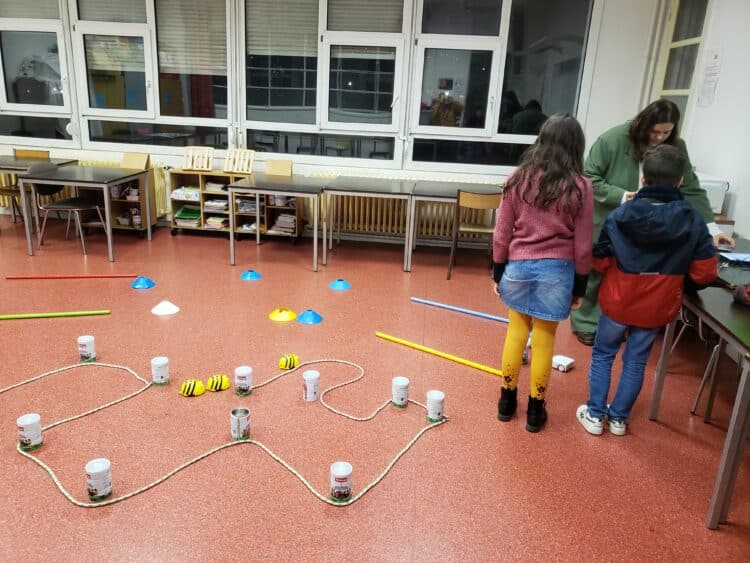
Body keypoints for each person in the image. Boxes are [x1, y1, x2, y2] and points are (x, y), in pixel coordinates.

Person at [576, 144, 718, 436]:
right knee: (636, 360)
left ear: (643, 179)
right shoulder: (692, 220)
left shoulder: (621, 215)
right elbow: (705, 272)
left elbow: (599, 260)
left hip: (618, 299)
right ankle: (618, 419)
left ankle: (595, 415)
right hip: (657, 304)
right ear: (680, 181)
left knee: (603, 354)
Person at [570, 100, 734, 346]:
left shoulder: (677, 147)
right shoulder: (613, 140)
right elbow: (588, 178)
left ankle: (624, 321)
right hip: (612, 216)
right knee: (597, 270)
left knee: (634, 274)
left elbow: (691, 188)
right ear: (643, 124)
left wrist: (713, 229)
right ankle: (586, 323)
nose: (659, 137)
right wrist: (622, 196)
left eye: (666, 132)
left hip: (651, 223)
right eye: (655, 131)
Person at [492, 113, 593, 432]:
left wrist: (497, 272)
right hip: (558, 273)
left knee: (515, 334)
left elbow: (501, 233)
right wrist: (580, 286)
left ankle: (506, 402)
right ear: (576, 146)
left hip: (518, 267)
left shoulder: (517, 179)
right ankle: (535, 411)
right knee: (544, 341)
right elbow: (583, 245)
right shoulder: (581, 187)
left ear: (541, 140)